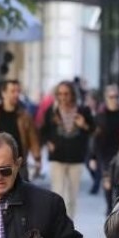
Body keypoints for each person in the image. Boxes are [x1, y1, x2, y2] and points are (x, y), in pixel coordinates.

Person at [40, 80, 95, 217]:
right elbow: (43, 131)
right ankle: (57, 225)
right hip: (57, 157)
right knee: (58, 194)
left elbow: (93, 130)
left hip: (76, 158)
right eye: (60, 94)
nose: (63, 97)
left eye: (66, 94)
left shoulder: (83, 110)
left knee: (71, 196)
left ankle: (69, 226)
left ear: (72, 94)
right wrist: (48, 143)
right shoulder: (52, 111)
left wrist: (83, 125)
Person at [0, 80, 42, 179]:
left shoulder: (25, 116)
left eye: (18, 91)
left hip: (19, 165)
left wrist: (37, 158)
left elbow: (32, 138)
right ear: (3, 93)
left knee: (21, 194)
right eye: (13, 91)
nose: (16, 94)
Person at [94, 85, 119, 214]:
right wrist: (93, 157)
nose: (114, 99)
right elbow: (95, 137)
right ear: (106, 98)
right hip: (105, 152)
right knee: (107, 181)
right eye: (111, 97)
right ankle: (109, 207)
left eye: (116, 97)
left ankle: (117, 207)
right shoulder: (100, 115)